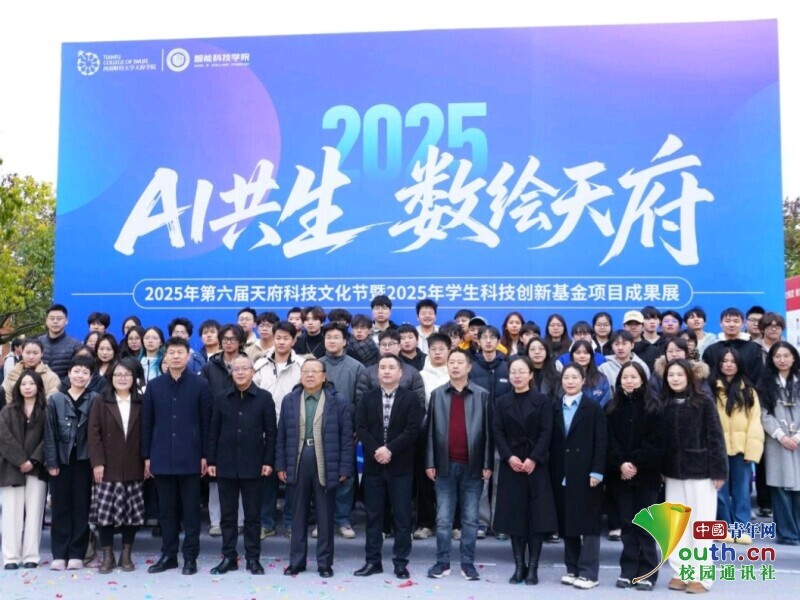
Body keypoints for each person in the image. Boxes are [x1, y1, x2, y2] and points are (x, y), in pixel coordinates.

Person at [141, 336, 212, 576]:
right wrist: (147, 456)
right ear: (166, 355)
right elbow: (147, 423)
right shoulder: (154, 386)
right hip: (161, 456)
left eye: (180, 352)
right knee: (166, 511)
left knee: (191, 512)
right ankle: (169, 555)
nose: (175, 356)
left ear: (188, 355)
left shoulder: (200, 385)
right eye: (171, 352)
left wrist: (205, 455)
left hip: (191, 456)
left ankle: (190, 557)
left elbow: (206, 422)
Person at [276, 359, 353, 578]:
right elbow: (281, 435)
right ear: (300, 375)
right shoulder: (290, 400)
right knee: (297, 515)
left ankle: (324, 563)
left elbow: (346, 438)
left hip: (326, 460)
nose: (310, 375)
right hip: (298, 460)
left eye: (315, 371)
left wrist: (344, 467)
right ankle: (296, 562)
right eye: (306, 371)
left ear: (324, 376)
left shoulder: (337, 401)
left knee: (325, 516)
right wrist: (280, 464)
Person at [660, 359, 727, 593]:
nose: (675, 378)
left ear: (689, 376)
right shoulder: (664, 403)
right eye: (671, 375)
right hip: (673, 473)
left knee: (701, 523)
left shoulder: (704, 401)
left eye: (680, 374)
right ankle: (681, 572)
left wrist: (719, 470)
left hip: (702, 471)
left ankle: (702, 576)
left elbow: (716, 436)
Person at [425, 349, 492, 581]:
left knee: (470, 519)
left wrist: (487, 463)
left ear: (469, 367)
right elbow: (430, 431)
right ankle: (442, 562)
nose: (455, 366)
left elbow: (488, 433)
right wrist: (430, 462)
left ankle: (467, 563)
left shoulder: (482, 395)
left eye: (459, 362)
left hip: (473, 466)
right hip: (444, 465)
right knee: (443, 519)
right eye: (451, 362)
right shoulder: (437, 394)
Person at [207, 355, 277, 575]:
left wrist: (268, 461)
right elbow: (213, 431)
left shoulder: (264, 398)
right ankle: (229, 557)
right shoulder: (221, 397)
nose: (240, 372)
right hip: (225, 463)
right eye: (236, 369)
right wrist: (211, 460)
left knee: (252, 516)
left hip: (254, 464)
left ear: (252, 372)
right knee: (228, 516)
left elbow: (271, 434)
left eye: (244, 369)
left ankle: (253, 558)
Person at [354, 355, 422, 579]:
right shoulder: (367, 397)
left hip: (400, 466)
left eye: (391, 367)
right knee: (373, 516)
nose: (386, 371)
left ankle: (401, 562)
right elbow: (361, 427)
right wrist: (377, 450)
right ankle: (372, 561)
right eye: (382, 367)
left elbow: (412, 430)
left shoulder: (411, 398)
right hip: (374, 465)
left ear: (400, 372)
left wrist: (390, 449)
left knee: (402, 517)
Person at [493, 356, 557, 585]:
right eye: (513, 372)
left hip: (535, 466)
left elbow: (547, 432)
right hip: (512, 466)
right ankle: (519, 566)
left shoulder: (542, 401)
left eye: (522, 371)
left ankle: (533, 568)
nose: (517, 376)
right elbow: (497, 432)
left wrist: (533, 458)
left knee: (536, 518)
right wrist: (509, 456)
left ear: (530, 375)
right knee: (515, 517)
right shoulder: (501, 401)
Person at [605, 362, 667, 590]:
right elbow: (608, 440)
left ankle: (648, 572)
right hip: (620, 476)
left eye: (633, 377)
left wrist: (635, 463)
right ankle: (628, 570)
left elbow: (658, 442)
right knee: (627, 524)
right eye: (625, 377)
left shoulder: (654, 407)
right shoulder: (611, 407)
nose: (629, 381)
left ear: (642, 379)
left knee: (645, 526)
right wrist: (621, 464)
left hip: (646, 476)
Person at [550, 363, 607, 590]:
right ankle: (572, 568)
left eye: (575, 377)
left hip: (587, 473)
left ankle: (589, 572)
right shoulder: (554, 407)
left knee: (589, 524)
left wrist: (597, 470)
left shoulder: (593, 408)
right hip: (561, 472)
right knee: (567, 522)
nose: (570, 381)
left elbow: (601, 442)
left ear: (583, 381)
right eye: (566, 377)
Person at [87, 358, 145, 574]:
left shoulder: (141, 401)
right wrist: (97, 462)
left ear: (134, 378)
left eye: (127, 374)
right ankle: (108, 555)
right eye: (118, 374)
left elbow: (147, 432)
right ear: (110, 377)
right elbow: (93, 434)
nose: (122, 378)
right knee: (105, 515)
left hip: (133, 464)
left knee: (132, 513)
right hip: (107, 466)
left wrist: (147, 460)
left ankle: (126, 554)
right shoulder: (100, 401)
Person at [44, 355, 100, 570]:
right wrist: (51, 462)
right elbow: (49, 433)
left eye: (85, 372)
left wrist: (97, 462)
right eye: (76, 371)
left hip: (84, 461)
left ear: (91, 377)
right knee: (60, 507)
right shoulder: (55, 399)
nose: (80, 376)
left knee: (81, 507)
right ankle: (59, 553)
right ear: (68, 373)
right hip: (61, 460)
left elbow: (97, 433)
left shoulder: (95, 399)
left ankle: (77, 552)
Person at [253, 321, 305, 538]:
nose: (281, 342)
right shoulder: (259, 365)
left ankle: (292, 522)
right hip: (265, 430)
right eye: (278, 338)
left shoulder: (302, 365)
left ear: (294, 340)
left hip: (294, 429)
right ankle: (266, 522)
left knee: (292, 477)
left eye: (286, 338)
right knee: (266, 477)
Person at [712, 348, 764, 542]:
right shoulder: (711, 389)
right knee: (719, 491)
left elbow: (755, 421)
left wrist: (752, 450)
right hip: (718, 449)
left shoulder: (748, 390)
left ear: (739, 364)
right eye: (725, 361)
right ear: (719, 364)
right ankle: (722, 528)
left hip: (742, 449)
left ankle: (742, 529)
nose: (729, 364)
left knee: (742, 491)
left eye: (733, 361)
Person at [320, 322, 365, 540]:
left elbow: (361, 401)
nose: (332, 341)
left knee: (345, 477)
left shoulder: (356, 367)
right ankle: (323, 520)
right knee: (320, 476)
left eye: (336, 337)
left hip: (347, 430)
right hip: (318, 429)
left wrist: (357, 428)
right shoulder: (316, 365)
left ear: (345, 341)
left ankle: (343, 519)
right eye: (328, 337)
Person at [0, 370, 48, 570]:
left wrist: (34, 460)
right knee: (10, 513)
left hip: (37, 468)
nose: (27, 387)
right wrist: (21, 460)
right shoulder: (7, 411)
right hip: (11, 467)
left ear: (39, 387)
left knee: (35, 512)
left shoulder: (46, 410)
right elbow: (3, 437)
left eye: (31, 383)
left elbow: (49, 438)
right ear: (18, 387)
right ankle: (11, 557)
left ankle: (31, 555)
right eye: (24, 384)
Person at [757, 342, 800, 545]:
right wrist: (781, 435)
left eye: (786, 355)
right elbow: (763, 413)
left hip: (798, 441)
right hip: (776, 441)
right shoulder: (765, 383)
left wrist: (797, 436)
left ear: (794, 357)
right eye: (777, 356)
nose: (782, 360)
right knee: (780, 488)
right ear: (771, 359)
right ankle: (787, 534)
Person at [414, 332, 451, 540]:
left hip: (453, 433)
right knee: (425, 480)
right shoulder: (420, 375)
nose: (437, 353)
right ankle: (425, 523)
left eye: (441, 349)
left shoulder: (456, 372)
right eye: (433, 349)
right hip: (426, 432)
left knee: (452, 478)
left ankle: (454, 523)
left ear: (449, 351)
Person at [702, 307, 763, 384]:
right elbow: (708, 377)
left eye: (736, 321)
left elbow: (758, 375)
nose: (731, 325)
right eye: (727, 321)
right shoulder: (711, 350)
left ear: (743, 324)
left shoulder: (754, 348)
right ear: (720, 323)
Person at [3, 339, 61, 406]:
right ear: (22, 352)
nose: (31, 357)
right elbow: (6, 398)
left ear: (42, 354)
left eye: (35, 353)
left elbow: (51, 401)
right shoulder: (12, 375)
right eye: (28, 353)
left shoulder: (51, 377)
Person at [38, 303, 82, 379]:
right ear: (46, 321)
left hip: (64, 386)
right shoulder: (38, 342)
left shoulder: (75, 345)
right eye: (52, 318)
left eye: (59, 318)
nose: (55, 321)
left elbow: (78, 371)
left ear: (66, 321)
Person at [568, 340, 611, 406]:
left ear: (591, 356)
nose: (582, 356)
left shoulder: (602, 379)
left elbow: (606, 400)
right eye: (578, 353)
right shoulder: (566, 378)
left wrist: (594, 411)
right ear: (572, 355)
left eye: (586, 353)